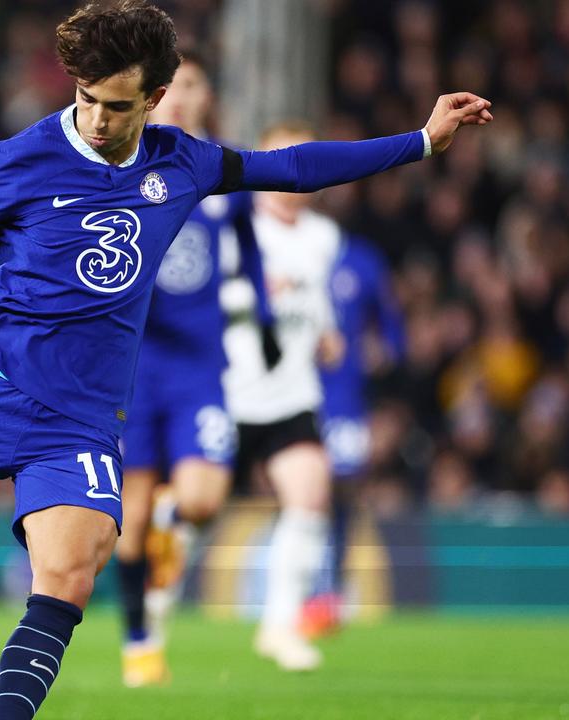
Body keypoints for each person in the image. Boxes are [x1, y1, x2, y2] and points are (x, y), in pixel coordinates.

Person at [0, 2, 490, 716]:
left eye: (117, 105)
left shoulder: (184, 162)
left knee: (68, 577)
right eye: (87, 98)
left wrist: (420, 140)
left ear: (156, 98)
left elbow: (290, 166)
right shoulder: (20, 159)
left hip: (77, 422)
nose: (97, 118)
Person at [113, 52, 275, 688]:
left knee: (204, 499)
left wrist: (261, 318)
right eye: (169, 86)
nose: (179, 96)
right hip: (133, 368)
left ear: (207, 97)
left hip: (199, 367)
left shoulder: (216, 170)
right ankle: (139, 641)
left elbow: (253, 250)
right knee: (126, 520)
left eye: (191, 85)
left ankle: (170, 531)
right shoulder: (127, 168)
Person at [222, 121, 359, 671]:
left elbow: (316, 294)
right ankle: (148, 621)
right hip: (227, 393)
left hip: (291, 396)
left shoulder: (324, 239)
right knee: (188, 510)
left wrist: (327, 330)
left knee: (309, 494)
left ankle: (280, 626)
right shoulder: (234, 226)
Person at [300, 232, 406, 638]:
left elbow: (393, 330)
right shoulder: (288, 252)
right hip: (293, 396)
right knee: (304, 491)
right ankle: (305, 590)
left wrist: (385, 353)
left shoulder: (363, 260)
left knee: (340, 492)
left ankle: (330, 593)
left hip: (345, 401)